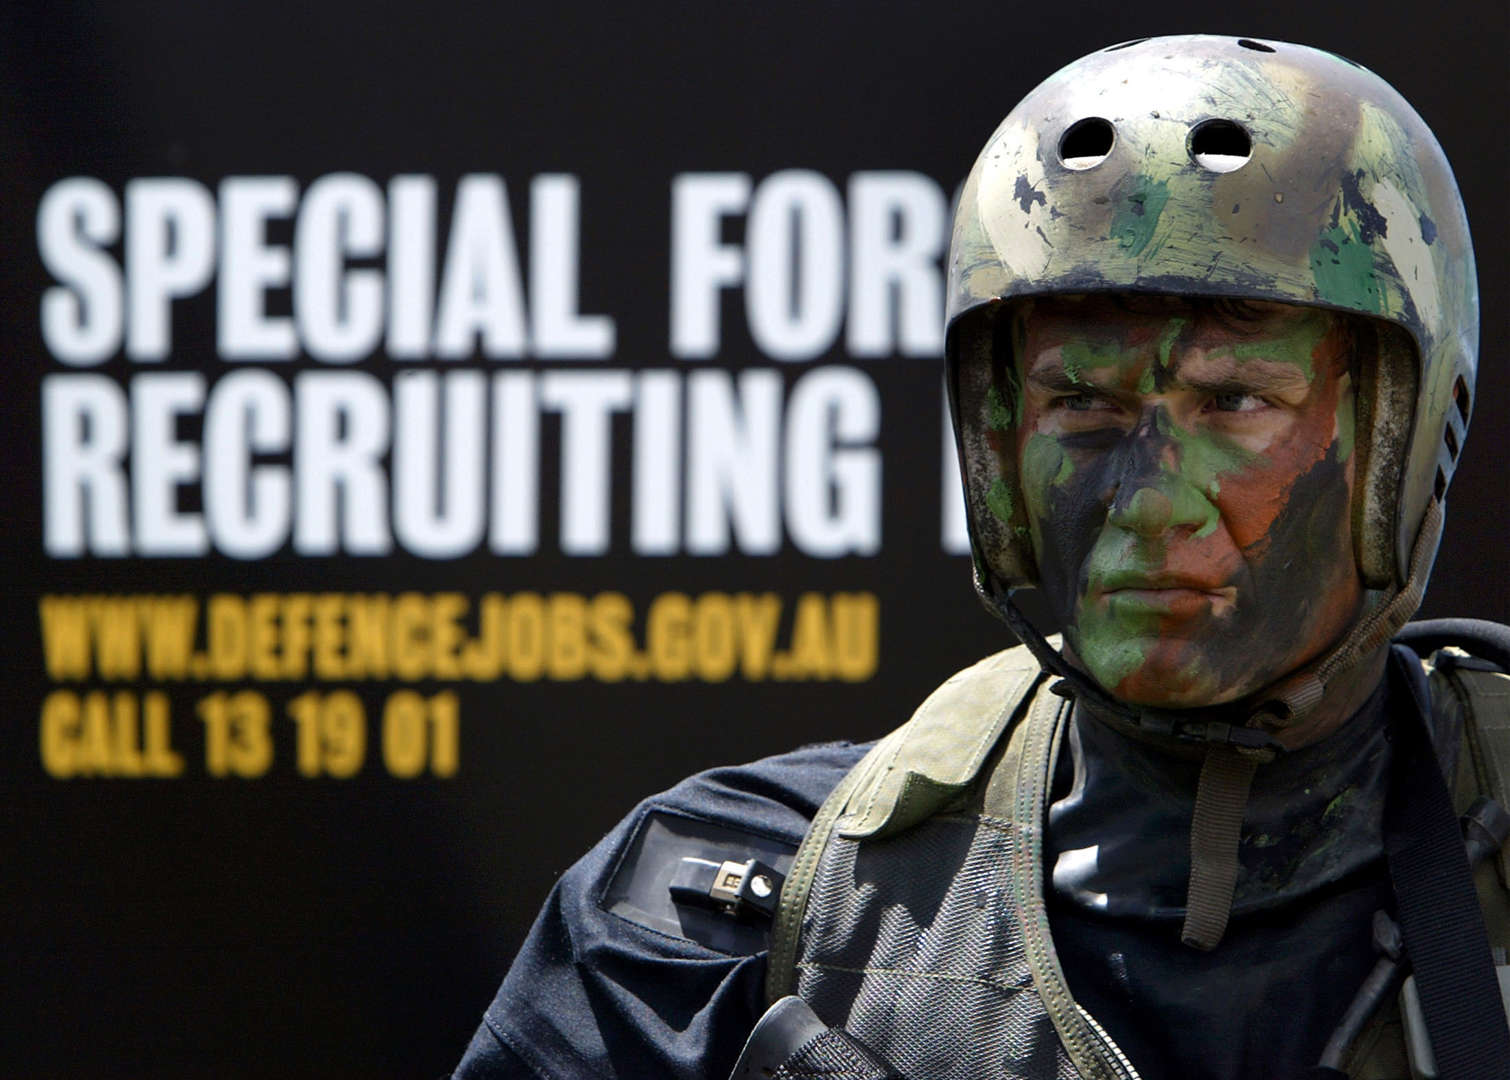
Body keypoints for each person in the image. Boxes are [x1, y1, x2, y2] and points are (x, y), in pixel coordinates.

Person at [454, 35, 1510, 1080]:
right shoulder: (717, 928)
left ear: (1403, 445)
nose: (1144, 500)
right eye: (1080, 403)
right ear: (998, 445)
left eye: (1233, 402)